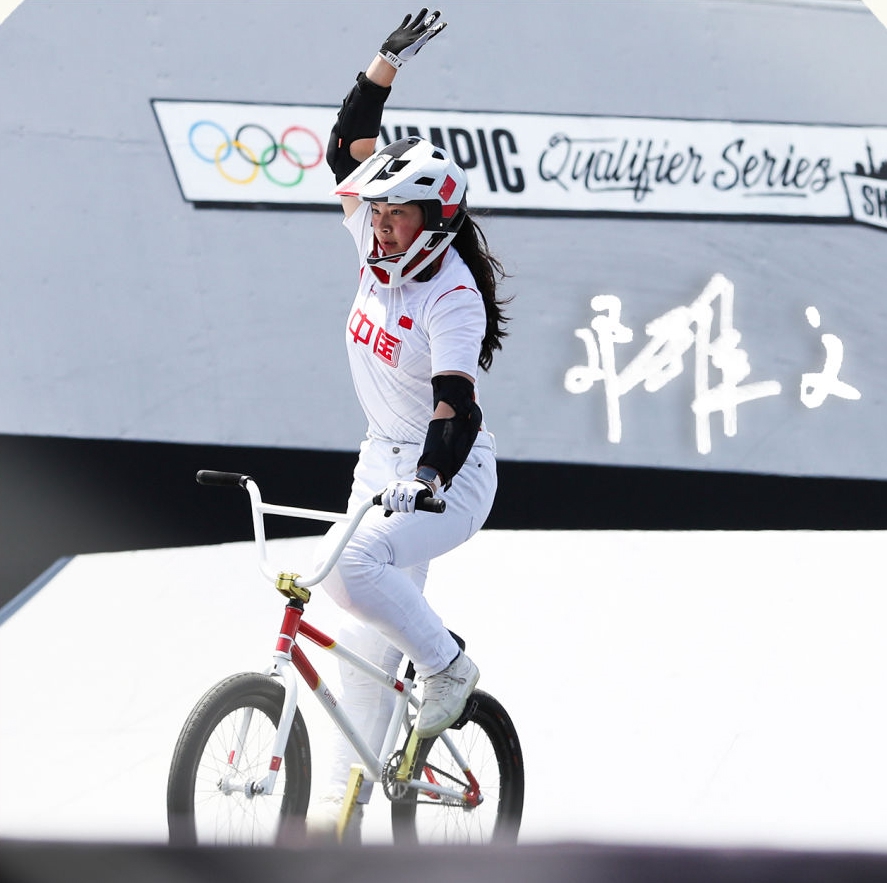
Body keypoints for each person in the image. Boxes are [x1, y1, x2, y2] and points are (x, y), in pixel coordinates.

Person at [307, 8, 510, 841]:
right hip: (378, 461)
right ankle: (339, 826)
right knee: (359, 653)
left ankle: (450, 668)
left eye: (397, 213)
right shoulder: (377, 242)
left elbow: (455, 405)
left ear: (436, 218)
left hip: (448, 475)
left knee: (348, 566)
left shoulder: (451, 296)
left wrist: (426, 478)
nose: (380, 223)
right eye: (377, 209)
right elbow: (344, 144)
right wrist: (385, 60)